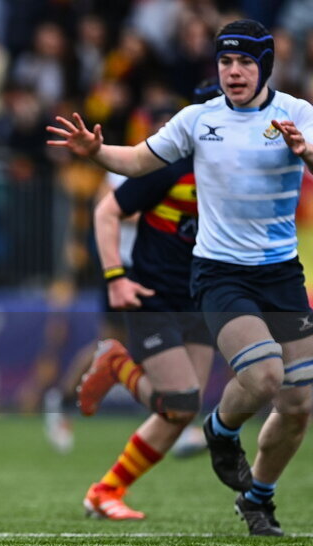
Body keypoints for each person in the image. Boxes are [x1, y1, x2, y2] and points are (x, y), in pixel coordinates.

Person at [48, 19, 313, 535]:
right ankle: (221, 430)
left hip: (281, 277)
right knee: (261, 376)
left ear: (265, 66)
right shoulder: (197, 121)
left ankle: (258, 497)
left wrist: (307, 150)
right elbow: (137, 160)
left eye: (245, 62)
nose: (233, 72)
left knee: (298, 403)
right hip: (219, 274)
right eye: (226, 62)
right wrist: (97, 152)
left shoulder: (295, 112)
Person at [78, 81, 222, 521]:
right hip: (153, 294)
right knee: (179, 403)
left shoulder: (239, 173)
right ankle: (116, 363)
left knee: (184, 409)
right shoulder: (168, 167)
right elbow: (105, 210)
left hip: (202, 297)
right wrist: (116, 278)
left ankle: (105, 492)